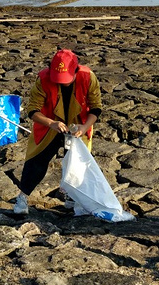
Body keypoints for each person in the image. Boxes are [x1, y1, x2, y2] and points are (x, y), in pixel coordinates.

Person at [13, 49, 103, 215]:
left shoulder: (88, 77)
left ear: (76, 71)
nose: (63, 83)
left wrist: (84, 127)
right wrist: (51, 123)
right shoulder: (43, 79)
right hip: (49, 128)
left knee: (78, 165)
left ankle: (73, 199)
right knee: (36, 162)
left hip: (79, 128)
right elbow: (33, 110)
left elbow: (96, 107)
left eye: (67, 79)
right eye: (59, 80)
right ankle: (22, 197)